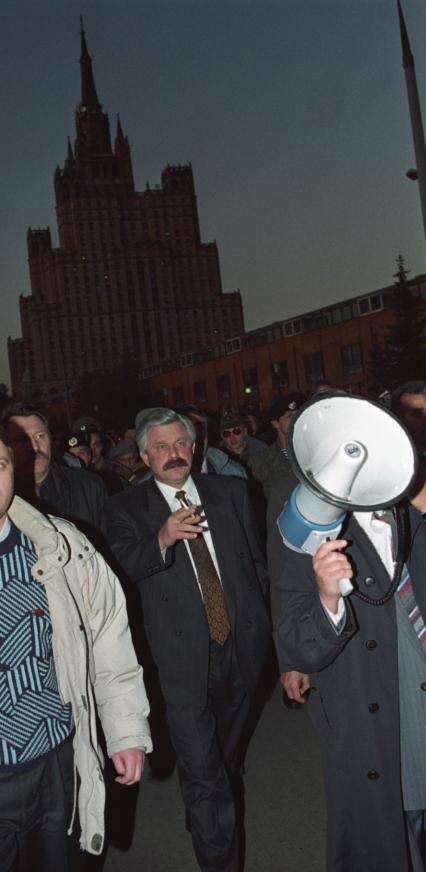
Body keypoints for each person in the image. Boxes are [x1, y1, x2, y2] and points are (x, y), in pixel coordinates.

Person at [106, 407, 270, 872]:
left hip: (241, 649)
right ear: (143, 455)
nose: (172, 455)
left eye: (180, 444)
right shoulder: (124, 508)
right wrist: (160, 537)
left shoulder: (234, 491)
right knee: (203, 772)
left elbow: (256, 566)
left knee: (224, 759)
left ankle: (207, 815)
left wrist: (265, 633)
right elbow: (120, 569)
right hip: (178, 662)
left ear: (194, 447)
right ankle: (218, 852)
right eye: (160, 447)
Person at [0, 425, 152, 871]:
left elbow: (107, 637)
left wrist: (124, 730)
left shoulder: (62, 546)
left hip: (58, 762)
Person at [271, 468, 426, 870]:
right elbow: (298, 643)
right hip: (378, 714)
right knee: (393, 832)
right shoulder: (310, 528)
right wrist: (327, 597)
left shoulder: (416, 508)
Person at [1, 404, 108, 546]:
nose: (34, 447)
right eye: (22, 440)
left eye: (40, 436)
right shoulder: (3, 496)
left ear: (50, 439)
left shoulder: (90, 487)